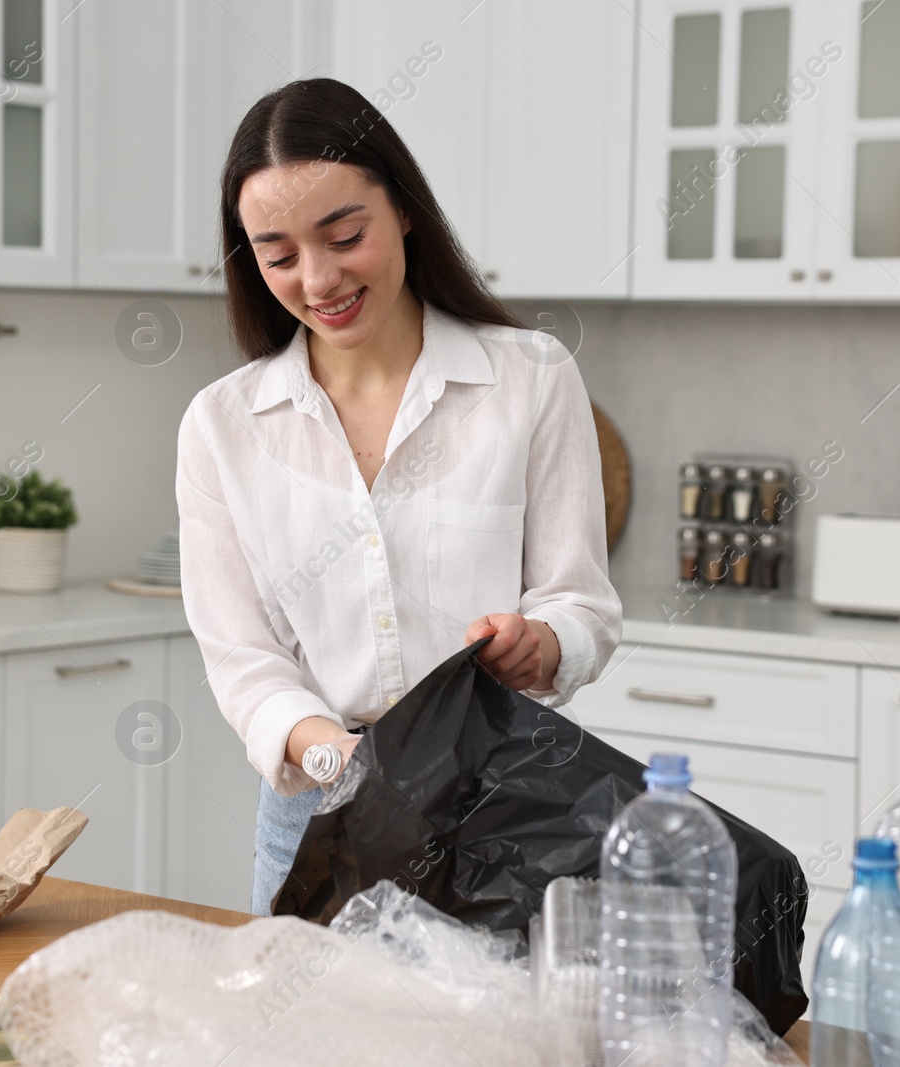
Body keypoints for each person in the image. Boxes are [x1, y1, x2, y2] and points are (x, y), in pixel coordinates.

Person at [175, 78, 623, 916]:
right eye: (277, 255)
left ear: (405, 208)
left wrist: (544, 643)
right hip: (318, 811)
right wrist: (339, 764)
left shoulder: (531, 379)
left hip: (501, 808)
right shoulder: (222, 426)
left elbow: (582, 604)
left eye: (345, 235)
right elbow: (243, 660)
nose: (317, 278)